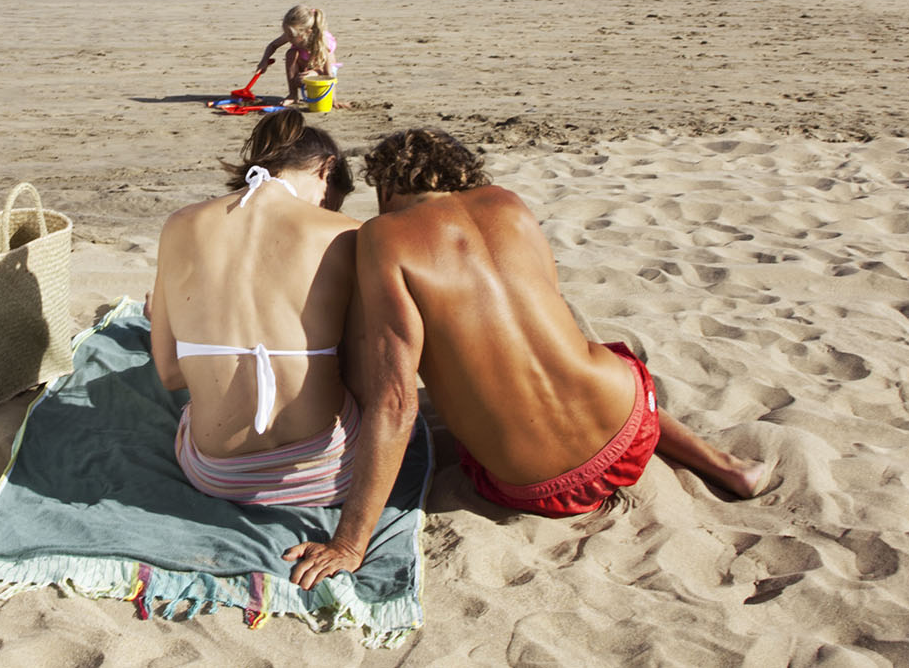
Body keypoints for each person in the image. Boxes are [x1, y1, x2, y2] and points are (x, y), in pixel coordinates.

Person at [284, 127, 768, 590]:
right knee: (598, 358)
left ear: (387, 186)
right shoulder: (508, 203)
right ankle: (728, 467)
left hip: (537, 488)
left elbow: (395, 403)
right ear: (462, 175)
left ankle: (721, 465)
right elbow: (549, 321)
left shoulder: (383, 236)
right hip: (631, 431)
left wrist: (350, 542)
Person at [147, 110, 359, 506]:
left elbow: (171, 374)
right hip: (330, 472)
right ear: (326, 170)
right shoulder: (346, 232)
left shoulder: (179, 224)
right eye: (330, 201)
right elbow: (364, 368)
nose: (326, 210)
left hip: (217, 476)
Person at [255, 5, 337, 105]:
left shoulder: (322, 43)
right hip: (304, 68)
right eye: (286, 33)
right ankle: (293, 95)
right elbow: (273, 45)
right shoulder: (292, 34)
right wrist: (264, 61)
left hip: (322, 73)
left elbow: (329, 74)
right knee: (291, 53)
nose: (288, 38)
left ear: (307, 32)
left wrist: (315, 74)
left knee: (323, 74)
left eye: (291, 35)